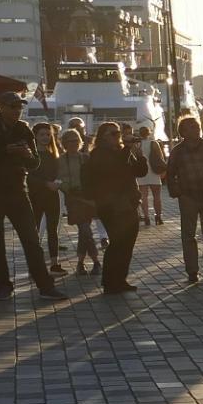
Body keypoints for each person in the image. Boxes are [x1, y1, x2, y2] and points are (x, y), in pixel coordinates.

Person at [0, 92, 61, 298]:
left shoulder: (23, 129)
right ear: (2, 107)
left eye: (19, 107)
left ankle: (45, 285)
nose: (17, 111)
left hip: (18, 191)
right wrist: (5, 150)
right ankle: (3, 285)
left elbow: (34, 164)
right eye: (13, 106)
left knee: (32, 241)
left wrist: (27, 155)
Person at [83, 123, 146, 294]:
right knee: (117, 242)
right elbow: (114, 170)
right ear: (103, 136)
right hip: (110, 205)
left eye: (118, 133)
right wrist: (127, 149)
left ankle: (120, 279)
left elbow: (140, 172)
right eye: (114, 133)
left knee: (127, 243)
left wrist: (139, 155)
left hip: (128, 203)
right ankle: (110, 281)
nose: (118, 136)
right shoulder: (98, 154)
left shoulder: (121, 151)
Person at [165, 115, 203, 285]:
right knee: (188, 235)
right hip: (189, 197)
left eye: (197, 126)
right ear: (183, 131)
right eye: (192, 127)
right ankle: (192, 271)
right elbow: (170, 174)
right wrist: (177, 193)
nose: (196, 129)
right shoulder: (178, 151)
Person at [57, 128, 99, 276]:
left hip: (87, 199)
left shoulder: (85, 158)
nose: (73, 143)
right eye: (69, 141)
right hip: (73, 199)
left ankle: (81, 263)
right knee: (85, 230)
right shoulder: (61, 160)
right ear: (64, 144)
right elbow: (59, 179)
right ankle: (95, 261)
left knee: (84, 232)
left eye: (75, 140)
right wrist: (68, 187)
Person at [30, 121, 65, 269]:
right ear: (35, 136)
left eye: (48, 135)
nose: (45, 137)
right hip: (36, 196)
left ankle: (54, 263)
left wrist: (58, 182)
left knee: (53, 231)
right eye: (42, 135)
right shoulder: (31, 155)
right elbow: (29, 176)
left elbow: (61, 172)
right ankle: (35, 264)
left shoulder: (55, 154)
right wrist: (46, 183)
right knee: (34, 231)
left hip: (52, 196)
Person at [135, 122, 167, 225]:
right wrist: (163, 170)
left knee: (143, 196)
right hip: (154, 172)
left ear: (140, 134)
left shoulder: (137, 144)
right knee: (157, 196)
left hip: (142, 172)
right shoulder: (154, 143)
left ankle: (147, 217)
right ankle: (158, 216)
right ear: (149, 133)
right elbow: (160, 158)